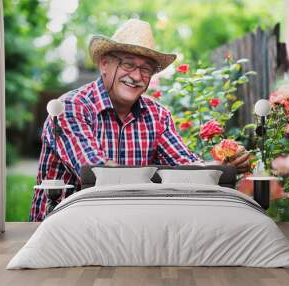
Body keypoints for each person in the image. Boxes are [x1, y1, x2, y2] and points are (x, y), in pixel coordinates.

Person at [29, 19, 250, 222]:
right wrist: (160, 180)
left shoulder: (157, 115)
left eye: (145, 69)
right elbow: (97, 174)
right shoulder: (70, 107)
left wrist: (220, 166)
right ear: (104, 64)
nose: (136, 76)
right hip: (64, 222)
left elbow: (185, 166)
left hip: (128, 223)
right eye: (128, 64)